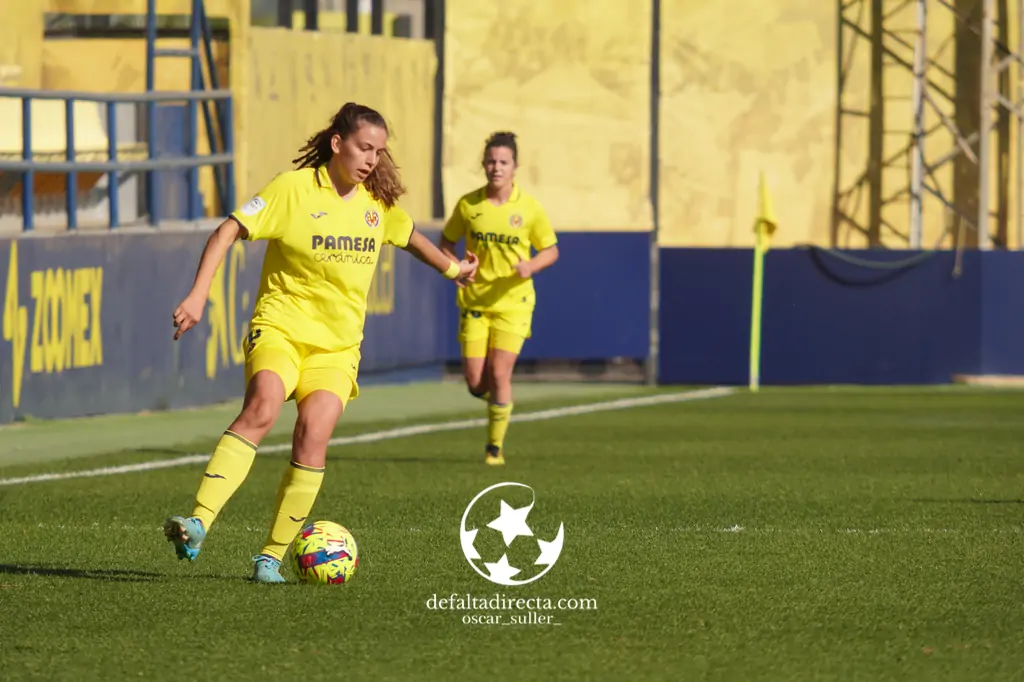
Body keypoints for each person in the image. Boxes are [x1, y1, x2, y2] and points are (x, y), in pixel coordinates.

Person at [164, 102, 478, 583]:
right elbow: (228, 230)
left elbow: (413, 237)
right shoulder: (291, 189)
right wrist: (198, 294)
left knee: (314, 434)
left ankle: (270, 557)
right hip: (281, 329)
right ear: (337, 144)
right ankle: (198, 523)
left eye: (379, 151)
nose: (372, 159)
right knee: (264, 405)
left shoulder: (378, 205)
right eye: (364, 147)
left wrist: (454, 269)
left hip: (336, 348)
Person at [438, 132, 559, 466]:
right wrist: (457, 268)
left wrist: (530, 265)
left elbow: (551, 250)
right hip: (476, 302)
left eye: (503, 162)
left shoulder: (529, 208)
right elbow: (446, 242)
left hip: (514, 303)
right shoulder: (469, 205)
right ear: (484, 164)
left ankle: (494, 449)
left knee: (500, 372)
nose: (496, 168)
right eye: (491, 161)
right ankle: (500, 404)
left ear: (515, 166)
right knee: (476, 382)